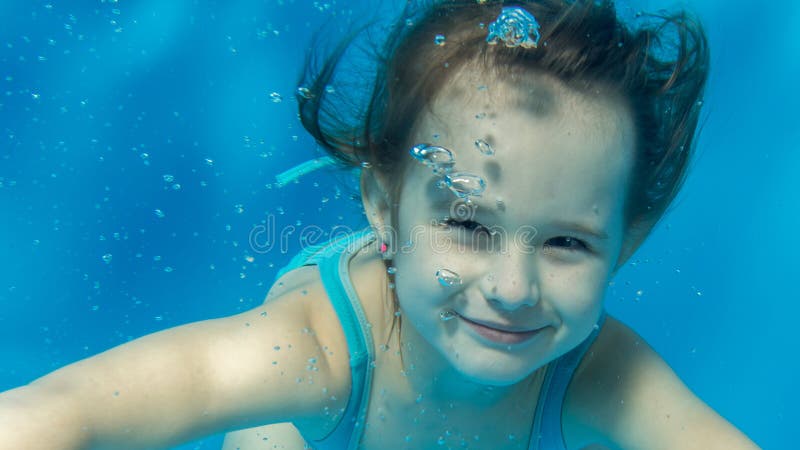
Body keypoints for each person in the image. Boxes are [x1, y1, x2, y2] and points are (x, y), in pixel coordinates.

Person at [0, 1, 759, 449]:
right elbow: (65, 410)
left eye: (567, 242)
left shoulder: (600, 374)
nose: (513, 287)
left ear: (626, 243)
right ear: (382, 205)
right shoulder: (310, 353)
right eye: (468, 225)